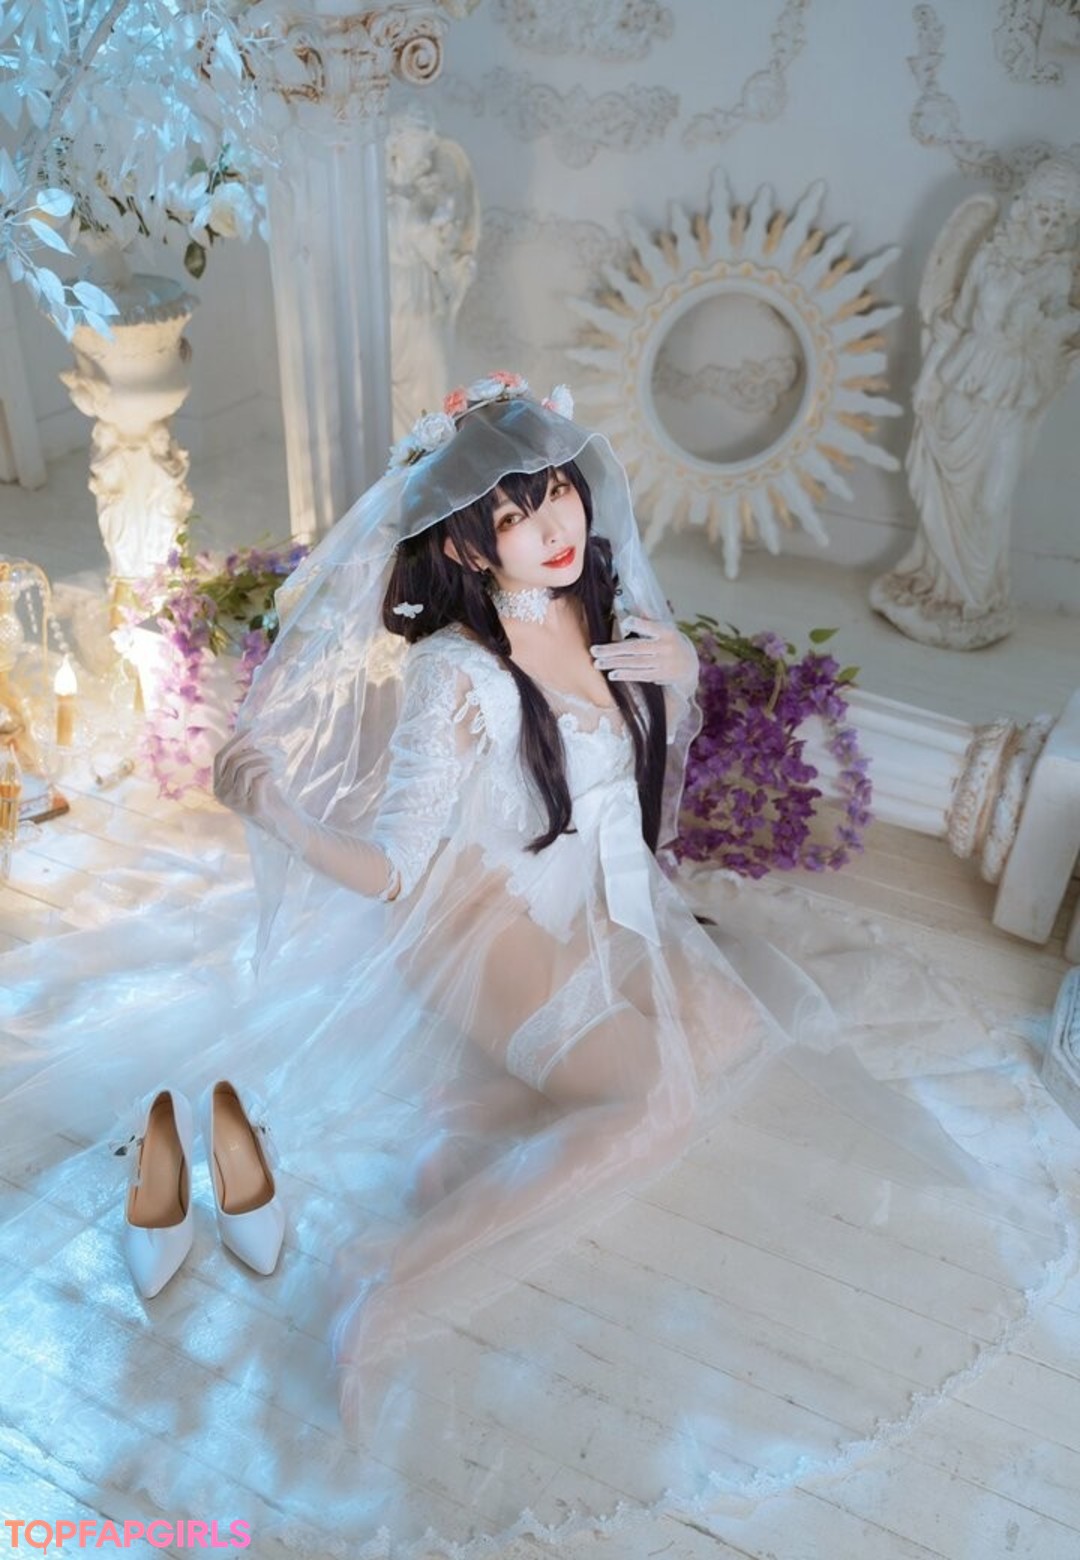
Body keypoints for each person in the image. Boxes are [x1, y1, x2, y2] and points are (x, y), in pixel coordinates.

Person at [0, 375, 1068, 1556]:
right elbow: (396, 870)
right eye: (514, 515)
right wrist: (283, 816)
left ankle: (479, 1116)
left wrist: (681, 681)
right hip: (476, 922)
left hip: (584, 895)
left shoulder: (590, 603)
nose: (555, 525)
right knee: (656, 1102)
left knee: (736, 1031)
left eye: (558, 491)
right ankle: (388, 1274)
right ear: (464, 543)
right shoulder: (454, 677)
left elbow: (635, 782)